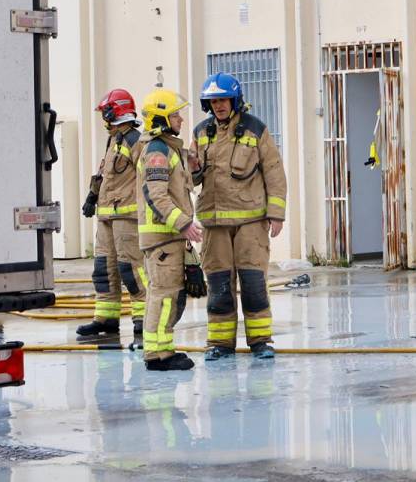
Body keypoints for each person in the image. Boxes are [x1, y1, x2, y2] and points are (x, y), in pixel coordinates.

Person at [191, 72, 287, 361]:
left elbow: (274, 172)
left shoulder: (255, 129)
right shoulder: (200, 133)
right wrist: (191, 167)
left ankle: (261, 342)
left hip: (251, 222)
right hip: (214, 224)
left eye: (223, 100)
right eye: (213, 101)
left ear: (235, 100)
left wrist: (276, 214)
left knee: (253, 283)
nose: (219, 106)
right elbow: (191, 179)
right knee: (219, 286)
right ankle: (219, 344)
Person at [137, 89, 203, 371]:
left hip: (167, 238)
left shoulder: (169, 148)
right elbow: (156, 195)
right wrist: (183, 223)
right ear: (161, 119)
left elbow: (178, 188)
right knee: (165, 296)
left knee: (162, 295)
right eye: (175, 115)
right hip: (163, 238)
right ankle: (160, 355)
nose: (181, 120)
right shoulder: (157, 151)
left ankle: (158, 351)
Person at [77, 89, 147, 346]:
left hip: (127, 216)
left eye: (104, 114)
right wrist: (92, 196)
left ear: (113, 112)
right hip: (107, 216)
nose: (103, 120)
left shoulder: (136, 141)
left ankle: (143, 317)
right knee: (103, 270)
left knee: (131, 269)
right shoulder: (114, 140)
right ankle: (106, 318)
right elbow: (104, 172)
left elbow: (146, 177)